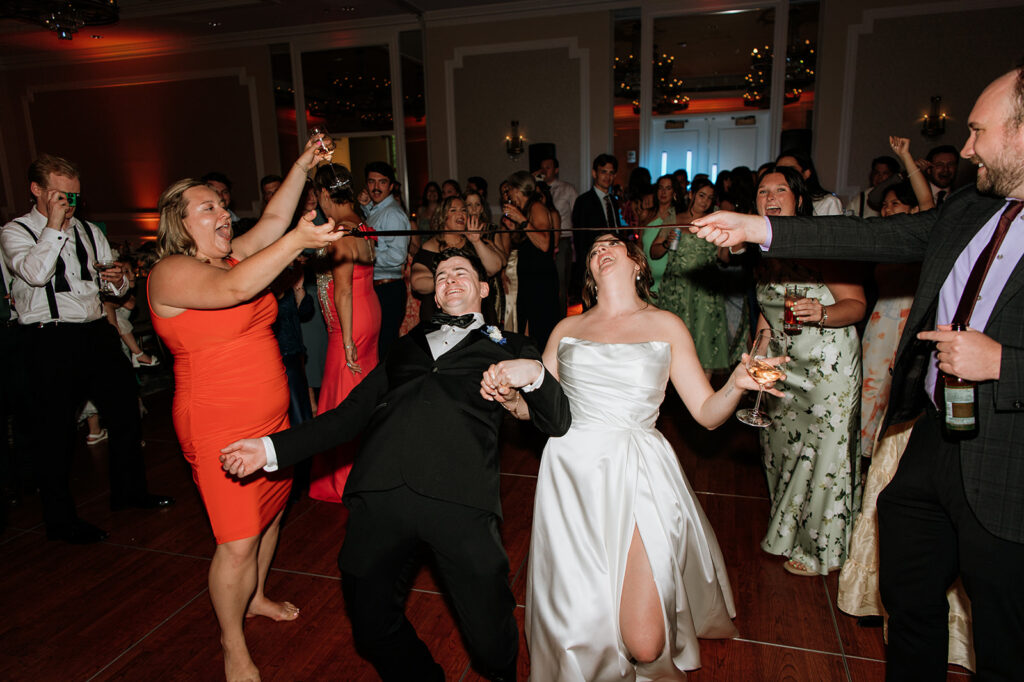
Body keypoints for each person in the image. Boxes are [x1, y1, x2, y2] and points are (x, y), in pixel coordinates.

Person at [688, 65, 1024, 680]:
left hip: (1009, 458)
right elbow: (878, 238)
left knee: (1004, 628)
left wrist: (1007, 364)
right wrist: (757, 227)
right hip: (935, 433)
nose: (966, 147)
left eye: (978, 132)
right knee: (908, 588)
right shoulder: (974, 209)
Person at [220, 246, 571, 682]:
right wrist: (270, 449)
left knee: (489, 635)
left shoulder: (512, 346)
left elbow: (556, 420)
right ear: (436, 297)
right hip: (382, 494)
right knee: (369, 627)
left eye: (461, 273)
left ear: (483, 288)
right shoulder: (406, 345)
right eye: (441, 276)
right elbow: (348, 415)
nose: (450, 280)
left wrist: (531, 374)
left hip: (459, 498)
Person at [482, 233, 783, 679]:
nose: (601, 251)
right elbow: (538, 408)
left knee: (646, 644)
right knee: (581, 615)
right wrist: (510, 399)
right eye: (594, 251)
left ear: (637, 264)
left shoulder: (666, 325)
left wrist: (736, 386)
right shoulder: (568, 329)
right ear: (589, 275)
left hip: (637, 470)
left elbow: (705, 414)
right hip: (571, 475)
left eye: (612, 245)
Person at [148, 138, 343, 682]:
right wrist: (300, 242)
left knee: (272, 513)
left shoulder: (232, 253)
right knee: (236, 541)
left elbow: (276, 219)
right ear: (178, 223)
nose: (223, 213)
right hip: (217, 423)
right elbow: (234, 288)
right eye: (207, 207)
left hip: (271, 423)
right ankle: (232, 644)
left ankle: (254, 596)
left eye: (222, 204)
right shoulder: (170, 274)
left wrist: (304, 164)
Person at [1, 154, 173, 545]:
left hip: (96, 331)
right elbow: (34, 274)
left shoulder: (89, 231)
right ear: (37, 190)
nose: (70, 204)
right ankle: (61, 521)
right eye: (62, 195)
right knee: (56, 432)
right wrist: (55, 227)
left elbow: (110, 286)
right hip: (48, 338)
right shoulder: (16, 232)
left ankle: (129, 493)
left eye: (75, 196)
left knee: (126, 412)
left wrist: (116, 280)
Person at [749, 166, 866, 577]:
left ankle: (820, 550)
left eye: (780, 189)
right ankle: (788, 533)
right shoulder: (763, 252)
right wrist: (756, 359)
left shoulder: (824, 243)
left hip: (828, 368)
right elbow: (767, 316)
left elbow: (856, 305)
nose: (770, 196)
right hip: (783, 367)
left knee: (823, 455)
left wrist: (824, 312)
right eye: (762, 191)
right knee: (782, 450)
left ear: (799, 199)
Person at [308, 163, 380, 503]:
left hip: (350, 322)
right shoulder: (362, 225)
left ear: (324, 193)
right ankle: (369, 469)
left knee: (343, 396)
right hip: (371, 311)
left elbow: (343, 291)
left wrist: (347, 340)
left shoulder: (341, 231)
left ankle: (344, 480)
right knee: (362, 391)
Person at [650, 177, 731, 375]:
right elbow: (654, 252)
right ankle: (673, 393)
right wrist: (667, 243)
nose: (705, 201)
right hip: (676, 289)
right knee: (674, 340)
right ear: (691, 194)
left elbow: (724, 259)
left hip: (704, 291)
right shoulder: (674, 219)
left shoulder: (715, 223)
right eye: (701, 195)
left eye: (710, 198)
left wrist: (729, 241)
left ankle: (702, 400)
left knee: (705, 342)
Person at [411, 195, 505, 324]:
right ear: (443, 216)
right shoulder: (430, 246)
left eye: (464, 210)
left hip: (477, 315)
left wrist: (477, 242)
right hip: (441, 317)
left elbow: (495, 267)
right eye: (454, 210)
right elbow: (417, 282)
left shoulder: (475, 243)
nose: (460, 214)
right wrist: (451, 283)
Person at [502, 171, 560, 349]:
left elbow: (543, 243)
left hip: (541, 279)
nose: (508, 195)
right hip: (529, 277)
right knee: (527, 326)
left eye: (509, 190)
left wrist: (522, 220)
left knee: (541, 328)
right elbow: (525, 244)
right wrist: (514, 227)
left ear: (517, 189)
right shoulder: (525, 211)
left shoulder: (536, 207)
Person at [363, 162, 409, 359]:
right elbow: (379, 235)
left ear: (391, 186)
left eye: (382, 182)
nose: (376, 187)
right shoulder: (378, 209)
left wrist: (367, 256)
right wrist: (365, 208)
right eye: (372, 181)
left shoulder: (393, 213)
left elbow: (398, 256)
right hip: (379, 288)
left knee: (385, 349)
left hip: (388, 289)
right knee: (380, 348)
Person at [571, 154, 620, 298]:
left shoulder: (613, 201)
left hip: (614, 260)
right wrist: (588, 269)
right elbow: (580, 240)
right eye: (603, 172)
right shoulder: (583, 201)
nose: (607, 177)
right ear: (594, 173)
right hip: (593, 264)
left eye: (611, 173)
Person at [535, 154, 578, 315]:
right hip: (541, 240)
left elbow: (577, 216)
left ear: (556, 169)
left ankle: (561, 318)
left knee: (560, 283)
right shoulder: (536, 191)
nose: (545, 171)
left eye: (548, 167)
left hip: (563, 240)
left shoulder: (567, 189)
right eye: (542, 167)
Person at [775, 152, 844, 216]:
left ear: (806, 173)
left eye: (790, 170)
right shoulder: (772, 201)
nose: (783, 175)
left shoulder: (828, 203)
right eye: (779, 170)